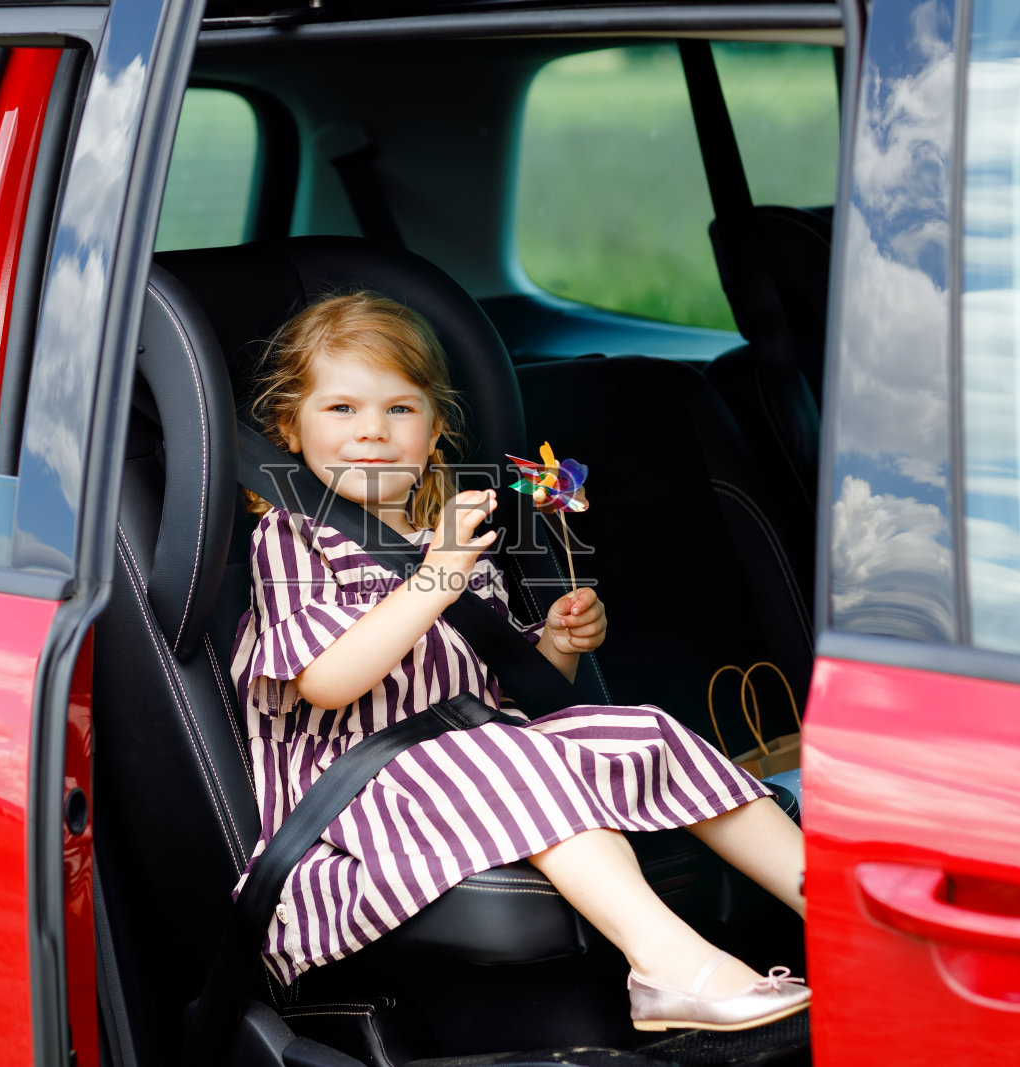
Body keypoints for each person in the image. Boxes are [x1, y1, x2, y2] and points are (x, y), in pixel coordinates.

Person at [228, 291, 810, 1032]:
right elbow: (329, 679)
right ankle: (668, 965)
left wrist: (556, 647)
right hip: (356, 794)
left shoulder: (452, 534)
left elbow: (509, 690)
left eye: (399, 410)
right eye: (341, 409)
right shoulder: (294, 537)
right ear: (288, 427)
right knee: (501, 756)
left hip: (479, 752)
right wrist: (435, 578)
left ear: (436, 428)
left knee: (643, 729)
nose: (372, 432)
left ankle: (835, 914)